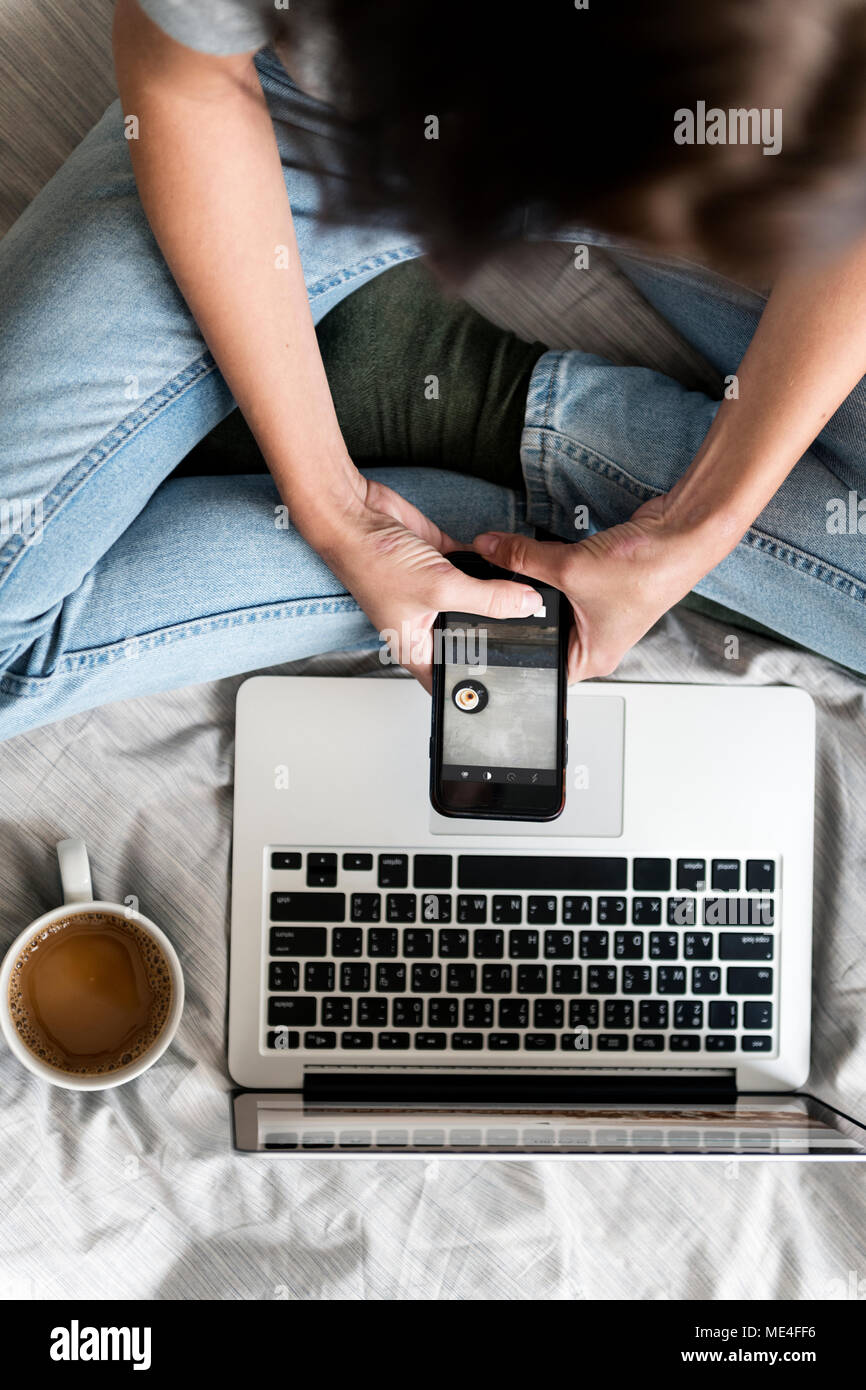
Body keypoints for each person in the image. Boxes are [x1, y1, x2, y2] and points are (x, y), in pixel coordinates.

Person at [2, 0, 866, 742]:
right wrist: (331, 508)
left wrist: (696, 525)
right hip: (316, 125)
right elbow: (189, 80)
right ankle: (487, 441)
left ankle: (514, 430)